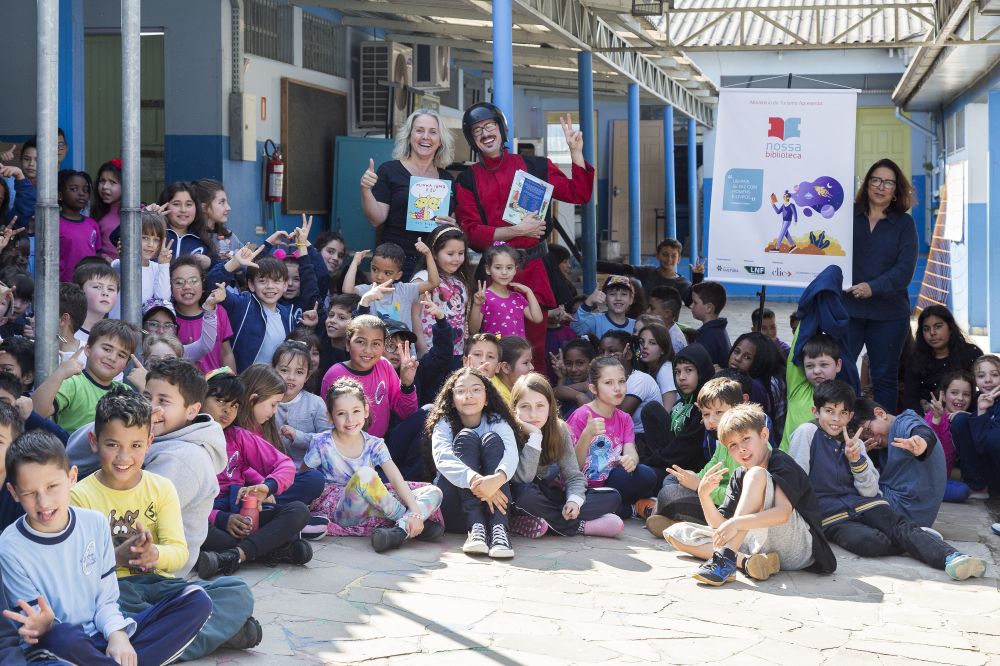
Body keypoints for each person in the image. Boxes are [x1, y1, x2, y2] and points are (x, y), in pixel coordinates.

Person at [70, 387, 260, 658]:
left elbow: (179, 553)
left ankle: (144, 644)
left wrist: (154, 554)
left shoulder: (161, 488)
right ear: (94, 441)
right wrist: (116, 558)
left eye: (135, 446)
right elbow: (76, 569)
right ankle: (189, 639)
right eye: (113, 445)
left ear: (148, 443)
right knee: (94, 618)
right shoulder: (79, 496)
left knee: (237, 592)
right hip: (112, 594)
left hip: (158, 585)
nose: (124, 458)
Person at [0, 431, 213, 664]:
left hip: (100, 637)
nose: (44, 502)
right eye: (30, 493)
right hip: (57, 649)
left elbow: (106, 599)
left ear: (72, 478)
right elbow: (33, 619)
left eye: (52, 486)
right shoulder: (10, 548)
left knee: (197, 600)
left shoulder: (95, 523)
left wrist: (118, 635)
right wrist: (47, 625)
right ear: (14, 493)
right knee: (62, 636)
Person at [789, 380, 985, 581]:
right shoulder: (807, 433)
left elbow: (870, 492)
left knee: (899, 526)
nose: (836, 419)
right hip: (831, 516)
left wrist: (856, 461)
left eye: (843, 413)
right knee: (867, 542)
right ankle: (917, 538)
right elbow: (797, 480)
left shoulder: (857, 442)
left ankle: (953, 557)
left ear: (850, 416)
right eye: (829, 411)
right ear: (816, 411)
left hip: (866, 504)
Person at [456, 104, 595, 375]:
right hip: (493, 274)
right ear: (471, 139)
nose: (485, 134)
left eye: (489, 126)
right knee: (491, 348)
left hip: (533, 271)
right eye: (477, 130)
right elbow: (471, 233)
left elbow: (579, 194)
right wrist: (517, 231)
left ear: (501, 128)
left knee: (534, 350)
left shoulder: (534, 166)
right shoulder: (467, 179)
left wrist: (575, 153)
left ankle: (535, 408)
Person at [665, 403, 836, 585]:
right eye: (733, 445)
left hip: (797, 547)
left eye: (746, 439)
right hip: (758, 547)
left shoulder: (781, 462)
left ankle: (725, 560)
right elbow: (722, 527)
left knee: (756, 473)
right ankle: (746, 562)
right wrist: (703, 495)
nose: (741, 449)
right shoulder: (739, 474)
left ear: (764, 435)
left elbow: (782, 513)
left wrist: (736, 522)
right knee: (675, 532)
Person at [306, 378, 445, 551]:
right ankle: (406, 520)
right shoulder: (321, 442)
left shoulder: (375, 444)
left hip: (376, 504)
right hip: (344, 510)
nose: (350, 419)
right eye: (341, 413)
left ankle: (400, 531)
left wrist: (415, 510)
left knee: (434, 491)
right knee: (365, 475)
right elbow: (306, 479)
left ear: (365, 410)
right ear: (329, 416)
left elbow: (395, 477)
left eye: (356, 411)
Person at [199, 371, 314, 578]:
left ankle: (236, 555)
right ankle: (272, 549)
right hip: (208, 516)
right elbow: (182, 502)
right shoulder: (189, 438)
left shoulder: (238, 437)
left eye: (234, 405)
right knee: (201, 531)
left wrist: (267, 487)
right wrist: (222, 519)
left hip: (241, 509)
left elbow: (285, 465)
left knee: (299, 511)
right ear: (200, 400)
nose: (227, 411)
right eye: (219, 401)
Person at [508, 373, 623, 538]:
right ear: (514, 409)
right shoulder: (509, 432)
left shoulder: (559, 430)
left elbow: (573, 476)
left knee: (612, 497)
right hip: (522, 496)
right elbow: (523, 479)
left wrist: (573, 502)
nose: (533, 414)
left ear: (550, 407)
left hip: (548, 498)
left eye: (540, 405)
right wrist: (535, 436)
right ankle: (578, 526)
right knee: (524, 494)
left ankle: (551, 521)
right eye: (525, 406)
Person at [844, 159, 918, 413]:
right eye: (875, 180)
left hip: (889, 314)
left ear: (896, 190)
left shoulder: (904, 224)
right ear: (866, 184)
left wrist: (872, 287)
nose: (880, 186)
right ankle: (842, 429)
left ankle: (880, 437)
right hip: (848, 310)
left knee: (884, 377)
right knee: (842, 371)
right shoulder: (846, 216)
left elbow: (904, 271)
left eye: (888, 182)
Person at [428, 367, 522, 557]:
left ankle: (499, 531)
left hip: (494, 510)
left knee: (492, 440)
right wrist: (478, 482)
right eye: (461, 391)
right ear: (452, 400)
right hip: (456, 511)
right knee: (466, 437)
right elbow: (442, 458)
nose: (468, 395)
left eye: (476, 389)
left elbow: (511, 454)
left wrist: (496, 480)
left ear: (487, 398)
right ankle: (476, 529)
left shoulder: (497, 421)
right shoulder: (444, 422)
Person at [360, 108, 457, 280]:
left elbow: (451, 230)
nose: (425, 136)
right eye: (419, 130)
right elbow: (376, 219)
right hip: (392, 264)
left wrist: (452, 226)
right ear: (409, 136)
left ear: (440, 140)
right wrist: (365, 189)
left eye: (433, 132)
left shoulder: (446, 179)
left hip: (430, 266)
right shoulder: (390, 170)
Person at [206, 227, 317, 372]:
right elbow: (213, 283)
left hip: (277, 388)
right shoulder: (242, 304)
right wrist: (235, 262)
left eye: (276, 281)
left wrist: (309, 326)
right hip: (245, 386)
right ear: (251, 285)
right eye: (263, 281)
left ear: (285, 285)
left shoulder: (288, 315)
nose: (270, 287)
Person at [566, 357, 656, 520]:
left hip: (611, 481)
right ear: (593, 388)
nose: (617, 388)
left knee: (647, 475)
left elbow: (630, 449)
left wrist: (631, 460)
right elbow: (571, 466)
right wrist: (587, 434)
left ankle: (618, 507)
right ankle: (630, 508)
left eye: (621, 381)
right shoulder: (581, 416)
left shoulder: (624, 419)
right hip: (583, 487)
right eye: (608, 383)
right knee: (610, 497)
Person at [33, 319, 140, 437]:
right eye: (107, 349)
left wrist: (146, 386)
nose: (112, 358)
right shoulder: (73, 383)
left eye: (121, 355)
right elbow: (36, 412)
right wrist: (60, 373)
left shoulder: (125, 392)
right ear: (88, 349)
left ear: (126, 365)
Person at [850, 396, 946, 528]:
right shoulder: (884, 443)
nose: (872, 439)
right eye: (864, 438)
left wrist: (922, 444)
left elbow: (923, 432)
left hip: (905, 512)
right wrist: (861, 453)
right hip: (915, 514)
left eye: (868, 431)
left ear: (880, 413)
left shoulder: (903, 422)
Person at [320, 315, 418, 438]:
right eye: (360, 342)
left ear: (383, 346)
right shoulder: (334, 374)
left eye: (376, 343)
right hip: (345, 446)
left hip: (380, 445)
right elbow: (325, 423)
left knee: (427, 411)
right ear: (347, 344)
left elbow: (406, 412)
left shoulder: (384, 365)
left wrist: (407, 384)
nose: (368, 350)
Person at [902, 305, 983, 414]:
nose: (932, 333)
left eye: (938, 326)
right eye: (926, 329)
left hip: (967, 415)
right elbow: (911, 399)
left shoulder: (971, 353)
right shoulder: (916, 359)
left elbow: (986, 386)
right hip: (928, 417)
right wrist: (924, 424)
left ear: (950, 328)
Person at [343, 240, 439, 330]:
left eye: (387, 273)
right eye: (375, 269)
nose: (379, 276)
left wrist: (428, 254)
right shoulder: (367, 291)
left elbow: (433, 283)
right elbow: (347, 290)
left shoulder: (405, 290)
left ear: (398, 275)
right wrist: (355, 262)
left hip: (402, 347)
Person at [409, 224, 470, 358]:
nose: (456, 259)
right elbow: (414, 315)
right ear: (434, 254)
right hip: (431, 351)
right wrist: (421, 348)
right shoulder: (423, 278)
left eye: (461, 253)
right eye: (450, 254)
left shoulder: (461, 280)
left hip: (457, 352)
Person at [171, 254, 236, 373]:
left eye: (194, 281)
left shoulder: (218, 311)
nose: (187, 287)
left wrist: (232, 384)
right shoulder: (169, 319)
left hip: (216, 387)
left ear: (203, 283)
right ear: (170, 285)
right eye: (179, 282)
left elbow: (226, 353)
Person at [273, 340, 331, 468]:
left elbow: (329, 440)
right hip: (272, 470)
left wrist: (298, 436)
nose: (291, 377)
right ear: (273, 370)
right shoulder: (265, 402)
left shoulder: (315, 404)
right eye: (284, 370)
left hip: (306, 471)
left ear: (307, 376)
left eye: (299, 372)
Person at [951, 354, 1000, 499]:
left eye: (995, 375)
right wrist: (976, 413)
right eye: (981, 376)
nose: (988, 380)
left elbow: (985, 443)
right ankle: (977, 485)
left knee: (993, 437)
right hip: (987, 470)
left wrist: (980, 413)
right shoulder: (976, 399)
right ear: (976, 381)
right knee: (960, 419)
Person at [470, 243, 543, 338]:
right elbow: (473, 330)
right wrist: (477, 305)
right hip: (494, 351)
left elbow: (537, 318)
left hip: (517, 351)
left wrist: (529, 292)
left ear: (515, 270)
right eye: (498, 267)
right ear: (488, 269)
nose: (504, 272)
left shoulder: (517, 298)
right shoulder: (483, 297)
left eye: (509, 268)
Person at [110, 209, 172, 320]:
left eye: (156, 240)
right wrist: (125, 258)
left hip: (140, 332)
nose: (150, 244)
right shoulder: (117, 264)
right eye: (145, 238)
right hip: (116, 328)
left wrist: (164, 265)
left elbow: (163, 299)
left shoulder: (157, 268)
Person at [598, 238, 700, 304]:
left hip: (665, 328)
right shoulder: (648, 271)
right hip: (642, 321)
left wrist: (698, 277)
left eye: (673, 256)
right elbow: (621, 268)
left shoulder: (682, 283)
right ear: (657, 255)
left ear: (679, 259)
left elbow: (690, 301)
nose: (669, 259)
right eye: (665, 254)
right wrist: (591, 263)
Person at [925, 370, 974, 494]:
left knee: (963, 491)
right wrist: (936, 419)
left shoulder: (968, 418)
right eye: (954, 393)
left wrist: (969, 418)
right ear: (943, 395)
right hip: (922, 477)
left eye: (966, 394)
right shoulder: (934, 415)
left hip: (940, 481)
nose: (960, 398)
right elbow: (926, 446)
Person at [58, 169, 104, 282]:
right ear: (60, 195)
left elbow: (97, 256)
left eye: (86, 190)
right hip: (63, 287)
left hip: (89, 284)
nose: (81, 193)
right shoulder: (54, 223)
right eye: (74, 189)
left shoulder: (92, 224)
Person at [158, 181, 216, 262]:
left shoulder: (205, 241)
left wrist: (209, 263)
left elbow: (218, 272)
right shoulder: (154, 235)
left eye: (188, 204)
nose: (183, 210)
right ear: (164, 207)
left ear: (197, 208)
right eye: (176, 204)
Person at [571, 275, 636, 340]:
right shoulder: (595, 320)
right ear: (605, 298)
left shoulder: (635, 325)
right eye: (612, 294)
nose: (618, 298)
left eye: (624, 294)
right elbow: (576, 329)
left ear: (631, 299)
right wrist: (588, 302)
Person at [638, 322, 677, 413]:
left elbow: (668, 411)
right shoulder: (647, 368)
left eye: (652, 343)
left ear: (663, 349)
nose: (644, 346)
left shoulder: (666, 370)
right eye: (641, 342)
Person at [689, 281, 730, 368]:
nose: (691, 306)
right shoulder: (718, 328)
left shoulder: (707, 337)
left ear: (709, 308)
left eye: (695, 302)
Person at [92, 160, 122, 261]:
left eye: (112, 182)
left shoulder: (138, 212)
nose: (105, 187)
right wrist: (102, 257)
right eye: (102, 181)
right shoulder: (96, 212)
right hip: (105, 272)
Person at [491, 335, 534, 404]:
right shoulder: (499, 397)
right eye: (526, 363)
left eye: (530, 362)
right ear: (506, 367)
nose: (532, 367)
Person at [647, 285, 688, 354]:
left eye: (652, 308)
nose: (647, 311)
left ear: (667, 313)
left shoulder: (675, 342)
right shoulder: (656, 330)